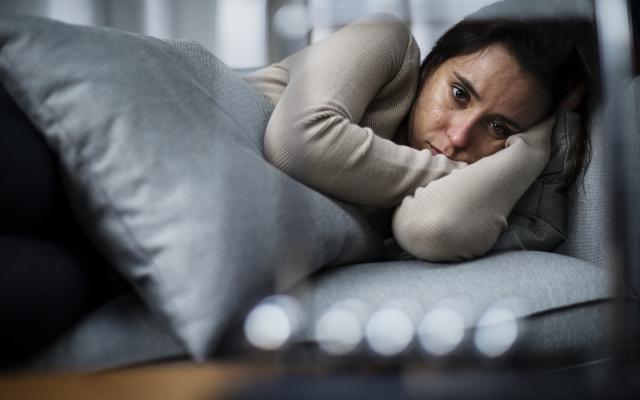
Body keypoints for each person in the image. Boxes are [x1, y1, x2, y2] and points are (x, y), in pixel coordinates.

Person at [245, 2, 598, 261]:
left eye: (498, 127)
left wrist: (538, 142)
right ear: (433, 66)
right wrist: (457, 173)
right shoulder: (385, 40)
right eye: (459, 94)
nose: (459, 137)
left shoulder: (434, 194)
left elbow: (434, 228)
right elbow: (297, 143)